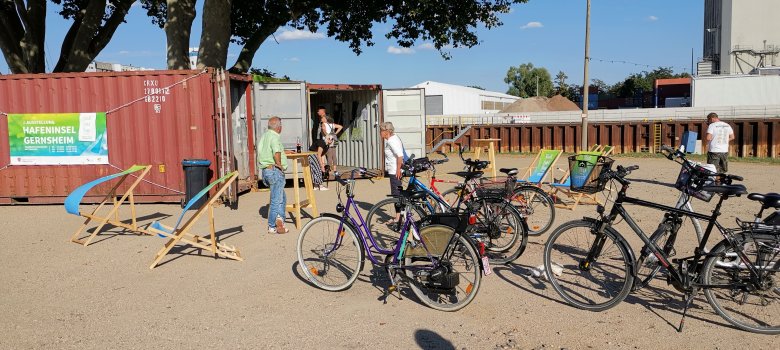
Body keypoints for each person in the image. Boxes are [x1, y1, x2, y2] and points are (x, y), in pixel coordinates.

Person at [258, 116, 289, 234]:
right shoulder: (275, 137)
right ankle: (272, 226)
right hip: (274, 170)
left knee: (282, 197)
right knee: (277, 200)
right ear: (279, 128)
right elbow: (276, 152)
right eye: (281, 125)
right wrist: (279, 165)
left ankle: (280, 221)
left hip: (266, 170)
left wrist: (284, 152)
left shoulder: (265, 136)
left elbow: (265, 151)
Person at [380, 122, 405, 224]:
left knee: (396, 196)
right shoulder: (394, 138)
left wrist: (398, 170)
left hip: (395, 171)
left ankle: (399, 218)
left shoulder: (391, 141)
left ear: (387, 131)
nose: (380, 133)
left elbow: (400, 156)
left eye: (381, 131)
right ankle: (399, 217)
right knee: (397, 195)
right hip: (395, 170)